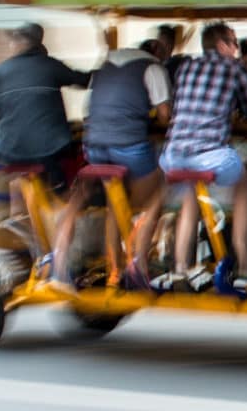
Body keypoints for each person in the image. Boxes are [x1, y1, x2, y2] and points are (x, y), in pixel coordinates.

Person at [52, 41, 172, 289]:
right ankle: (138, 266)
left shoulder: (104, 66)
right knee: (160, 190)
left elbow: (89, 112)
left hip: (94, 146)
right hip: (128, 145)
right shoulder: (152, 67)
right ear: (158, 52)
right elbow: (165, 114)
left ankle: (115, 269)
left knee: (115, 203)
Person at [160, 22, 247, 290]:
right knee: (243, 180)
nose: (237, 49)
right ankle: (243, 264)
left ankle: (180, 268)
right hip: (208, 155)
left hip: (172, 155)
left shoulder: (186, 67)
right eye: (234, 43)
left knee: (190, 195)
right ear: (222, 45)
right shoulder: (235, 68)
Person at [0, 22, 90, 191]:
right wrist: (109, 73)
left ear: (25, 43)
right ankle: (61, 197)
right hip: (49, 151)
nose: (11, 44)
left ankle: (24, 211)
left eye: (14, 40)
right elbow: (84, 81)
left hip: (8, 151)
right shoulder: (50, 66)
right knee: (76, 153)